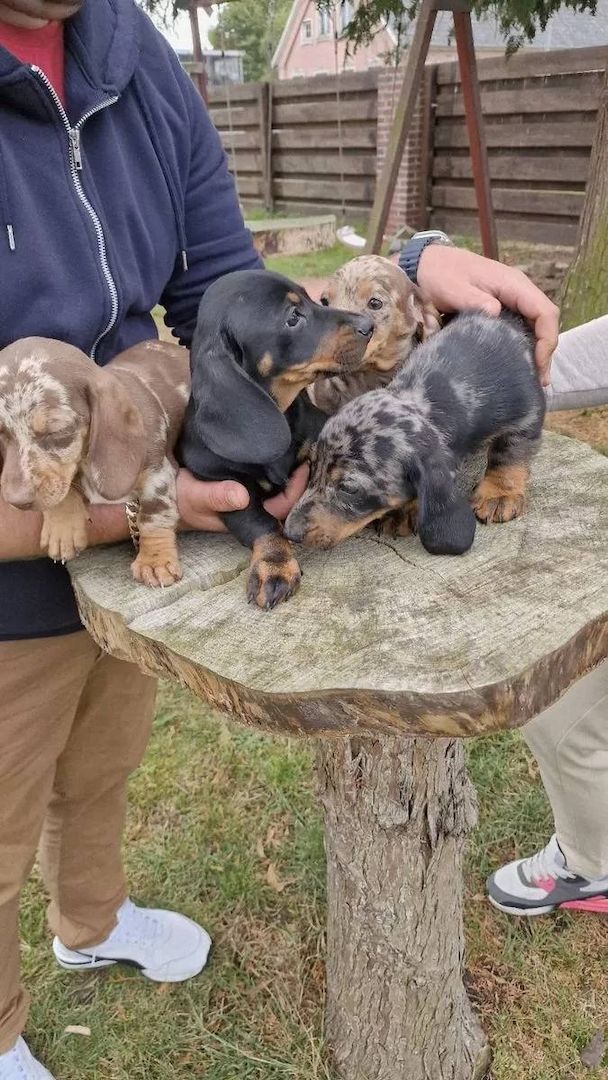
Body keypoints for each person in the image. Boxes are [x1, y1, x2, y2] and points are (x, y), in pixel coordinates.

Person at [0, 1, 563, 1077]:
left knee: (101, 764)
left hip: (138, 522)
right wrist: (126, 509)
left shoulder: (125, 51)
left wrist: (406, 274)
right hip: (29, 529)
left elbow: (223, 283)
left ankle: (92, 924)